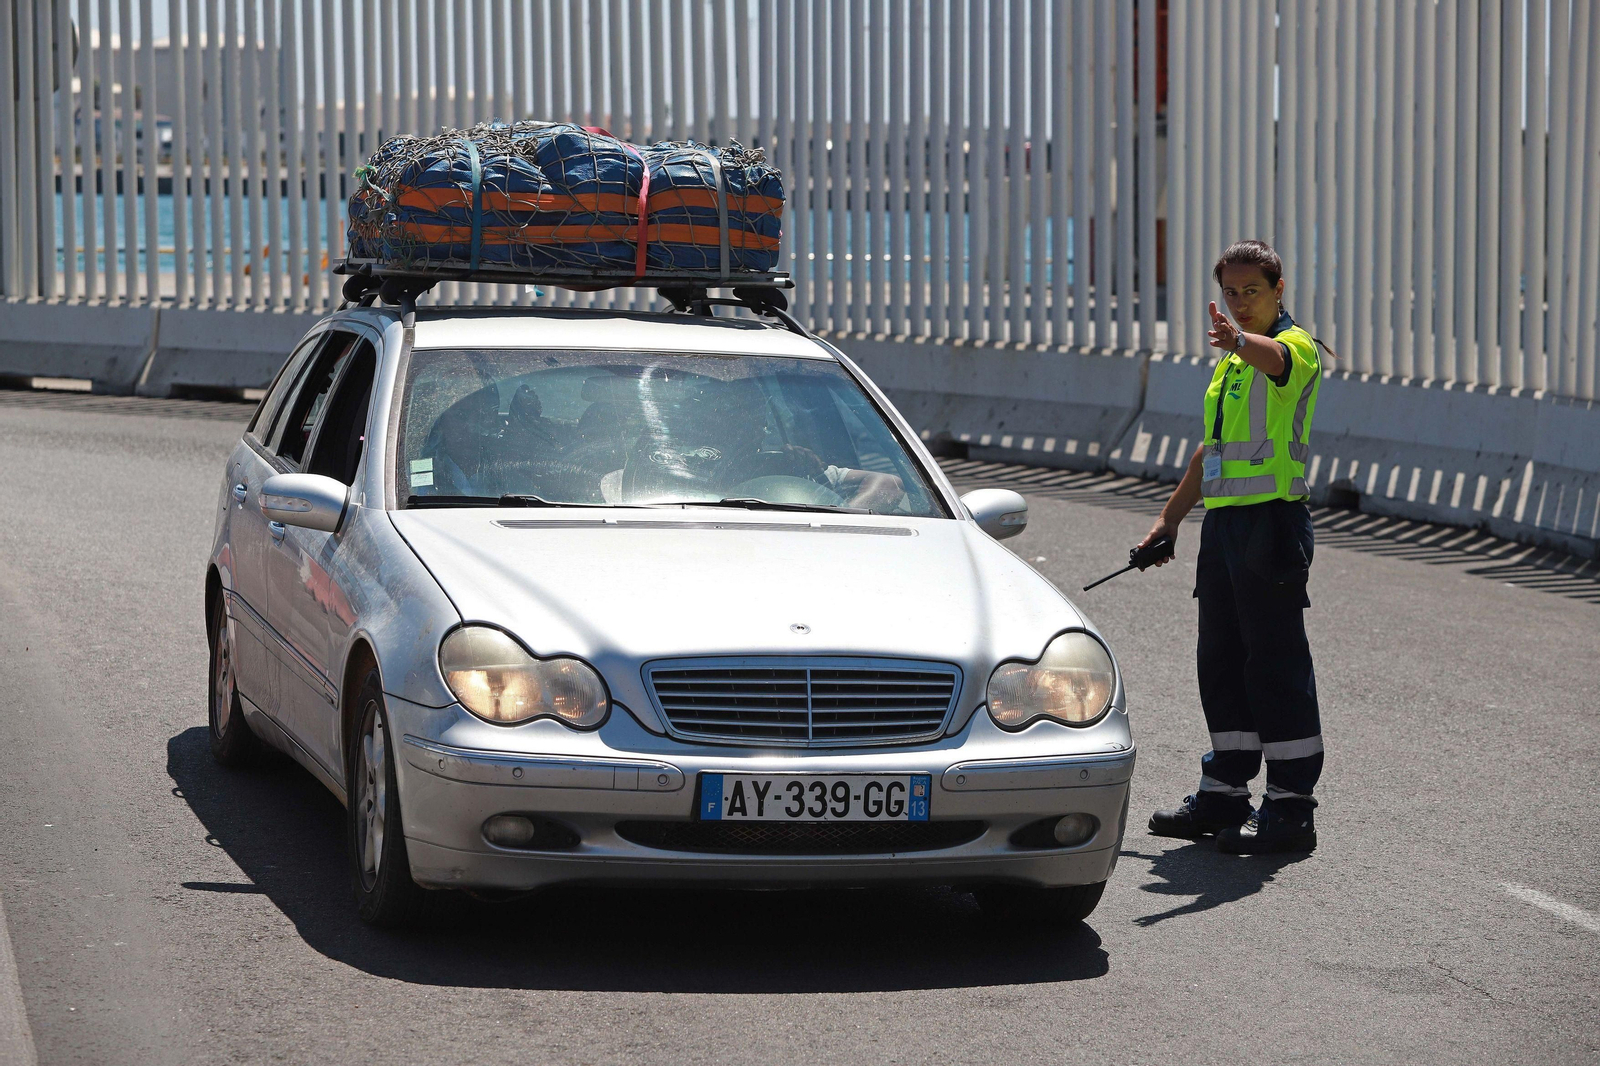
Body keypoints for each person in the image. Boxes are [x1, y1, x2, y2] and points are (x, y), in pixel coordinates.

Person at [1141, 239, 1329, 854]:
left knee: (1275, 666)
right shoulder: (1230, 364)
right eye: (1231, 292)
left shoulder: (1292, 347)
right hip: (1224, 530)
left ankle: (1291, 807)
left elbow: (1276, 359)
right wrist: (1169, 520)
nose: (1241, 302)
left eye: (1253, 291)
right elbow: (1212, 450)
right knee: (1221, 662)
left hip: (1271, 525)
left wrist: (1240, 340)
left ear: (1279, 290)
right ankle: (1224, 792)